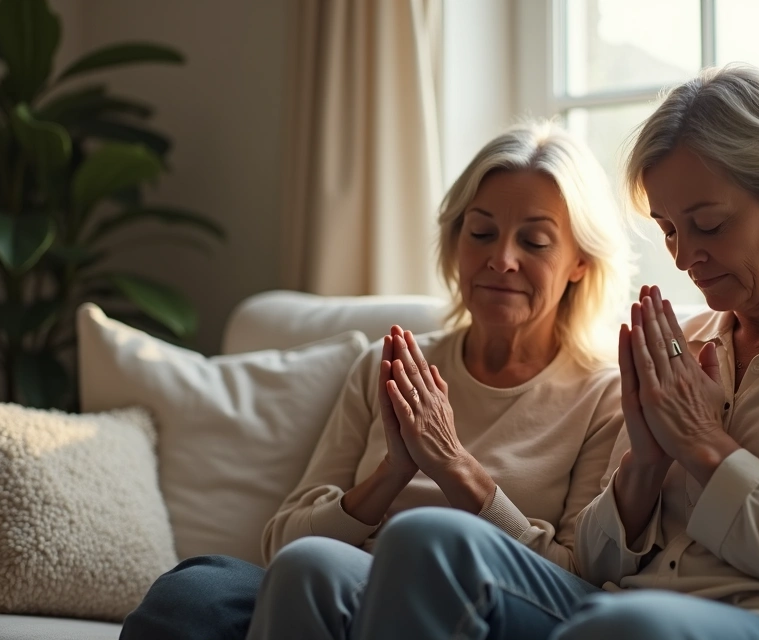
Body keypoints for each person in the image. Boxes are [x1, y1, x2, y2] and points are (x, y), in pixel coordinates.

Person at [297, 63, 759, 640]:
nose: (685, 256)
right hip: (631, 606)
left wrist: (707, 448)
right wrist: (644, 468)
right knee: (427, 541)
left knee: (621, 628)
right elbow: (593, 562)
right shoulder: (690, 342)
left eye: (708, 224)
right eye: (669, 230)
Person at [119, 121, 633, 640]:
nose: (501, 259)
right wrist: (392, 472)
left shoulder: (603, 396)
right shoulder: (389, 363)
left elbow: (573, 578)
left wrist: (455, 467)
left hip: (465, 608)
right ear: (455, 243)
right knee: (191, 594)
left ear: (579, 265)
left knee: (314, 571)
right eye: (480, 233)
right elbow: (283, 542)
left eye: (535, 241)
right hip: (329, 590)